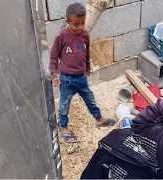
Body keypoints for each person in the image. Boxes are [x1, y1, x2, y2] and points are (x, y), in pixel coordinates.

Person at [49, 3, 116, 143]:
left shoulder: (84, 34)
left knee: (89, 98)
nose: (80, 27)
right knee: (64, 103)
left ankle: (99, 119)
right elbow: (54, 56)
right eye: (76, 24)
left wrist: (87, 68)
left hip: (81, 77)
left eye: (82, 23)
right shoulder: (61, 37)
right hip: (66, 79)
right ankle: (63, 126)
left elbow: (86, 52)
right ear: (67, 21)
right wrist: (54, 74)